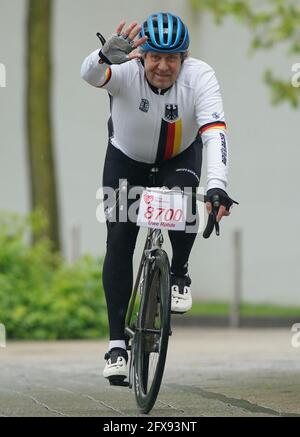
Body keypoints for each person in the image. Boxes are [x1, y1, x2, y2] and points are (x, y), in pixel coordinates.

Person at [81, 12, 233, 384]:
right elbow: (89, 76)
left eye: (173, 58)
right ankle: (117, 344)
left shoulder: (201, 76)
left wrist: (218, 185)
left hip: (178, 157)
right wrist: (101, 57)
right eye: (155, 57)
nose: (164, 66)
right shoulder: (126, 70)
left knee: (186, 200)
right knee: (119, 241)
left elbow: (215, 133)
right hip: (125, 159)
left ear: (184, 58)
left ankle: (179, 273)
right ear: (142, 54)